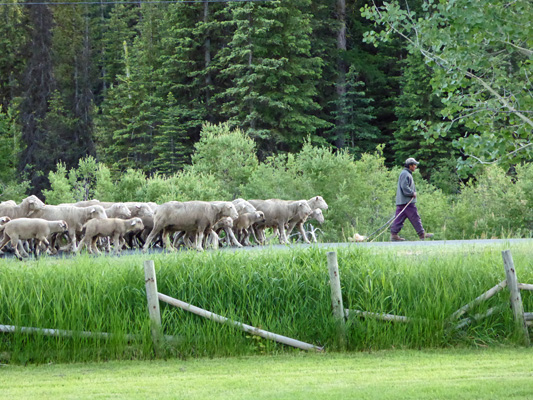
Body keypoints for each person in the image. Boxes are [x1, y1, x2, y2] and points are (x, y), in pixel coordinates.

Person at [390, 158, 434, 241]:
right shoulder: (405, 174)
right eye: (414, 165)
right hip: (407, 202)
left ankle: (394, 235)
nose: (415, 167)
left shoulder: (406, 173)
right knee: (415, 217)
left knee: (399, 219)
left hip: (402, 202)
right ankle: (422, 234)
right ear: (410, 166)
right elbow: (404, 187)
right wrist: (412, 193)